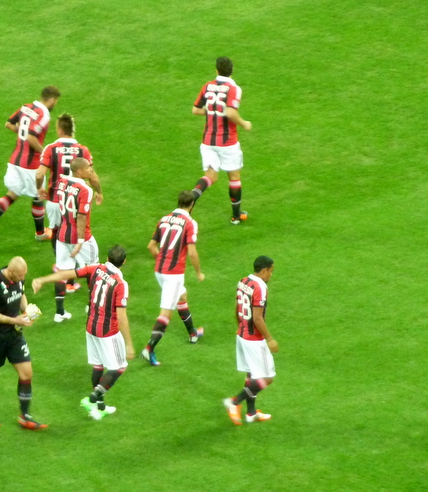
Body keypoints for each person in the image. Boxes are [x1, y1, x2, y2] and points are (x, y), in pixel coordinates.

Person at [32, 245, 134, 420]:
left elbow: (66, 274)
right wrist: (129, 343)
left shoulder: (95, 269)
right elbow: (121, 316)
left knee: (98, 365)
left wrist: (42, 279)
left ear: (108, 258)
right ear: (124, 262)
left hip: (91, 326)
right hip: (108, 331)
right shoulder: (120, 284)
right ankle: (92, 398)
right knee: (119, 366)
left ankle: (99, 407)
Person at [0, 86, 61, 244]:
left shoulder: (26, 107)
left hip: (15, 160)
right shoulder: (44, 114)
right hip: (30, 165)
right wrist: (45, 153)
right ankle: (40, 233)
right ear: (52, 99)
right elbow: (31, 137)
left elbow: (9, 124)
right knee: (38, 196)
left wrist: (22, 134)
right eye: (56, 101)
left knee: (13, 193)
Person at [0, 257, 47, 430]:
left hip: (15, 334)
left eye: (24, 275)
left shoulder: (18, 279)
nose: (23, 278)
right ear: (11, 272)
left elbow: (21, 293)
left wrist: (26, 311)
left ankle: (25, 416)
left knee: (26, 373)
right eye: (20, 275)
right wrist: (14, 319)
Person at [36, 114, 102, 294]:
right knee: (77, 228)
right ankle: (74, 273)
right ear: (72, 129)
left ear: (59, 130)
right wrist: (99, 191)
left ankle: (64, 270)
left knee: (58, 231)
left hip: (56, 197)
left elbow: (40, 174)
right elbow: (93, 176)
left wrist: (39, 188)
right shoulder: (83, 151)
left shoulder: (51, 148)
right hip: (76, 197)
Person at [141, 191, 205, 366]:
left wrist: (162, 261)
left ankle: (192, 333)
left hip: (159, 271)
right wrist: (199, 272)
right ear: (191, 205)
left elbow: (151, 246)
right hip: (173, 274)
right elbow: (192, 252)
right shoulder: (190, 223)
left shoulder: (164, 219)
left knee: (182, 297)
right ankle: (149, 349)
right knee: (165, 314)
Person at [190, 57, 251, 225]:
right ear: (232, 70)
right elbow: (230, 113)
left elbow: (195, 110)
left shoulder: (207, 86)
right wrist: (244, 123)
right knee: (234, 177)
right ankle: (236, 216)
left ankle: (193, 196)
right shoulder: (234, 88)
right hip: (227, 142)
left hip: (208, 141)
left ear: (216, 70)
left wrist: (212, 110)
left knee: (210, 176)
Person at [223, 256, 278, 425]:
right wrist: (270, 339)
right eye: (271, 271)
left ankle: (251, 413)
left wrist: (239, 326)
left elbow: (237, 307)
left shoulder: (243, 281)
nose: (271, 275)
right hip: (254, 339)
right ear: (264, 270)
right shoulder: (260, 287)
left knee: (253, 374)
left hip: (242, 334)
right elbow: (257, 318)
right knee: (267, 377)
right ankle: (234, 402)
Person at [48, 158, 99, 323]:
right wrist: (81, 240)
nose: (91, 170)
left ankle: (59, 312)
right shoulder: (85, 190)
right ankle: (91, 306)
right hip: (81, 237)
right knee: (93, 270)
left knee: (62, 272)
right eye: (88, 168)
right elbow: (82, 216)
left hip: (62, 234)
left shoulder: (62, 182)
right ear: (79, 171)